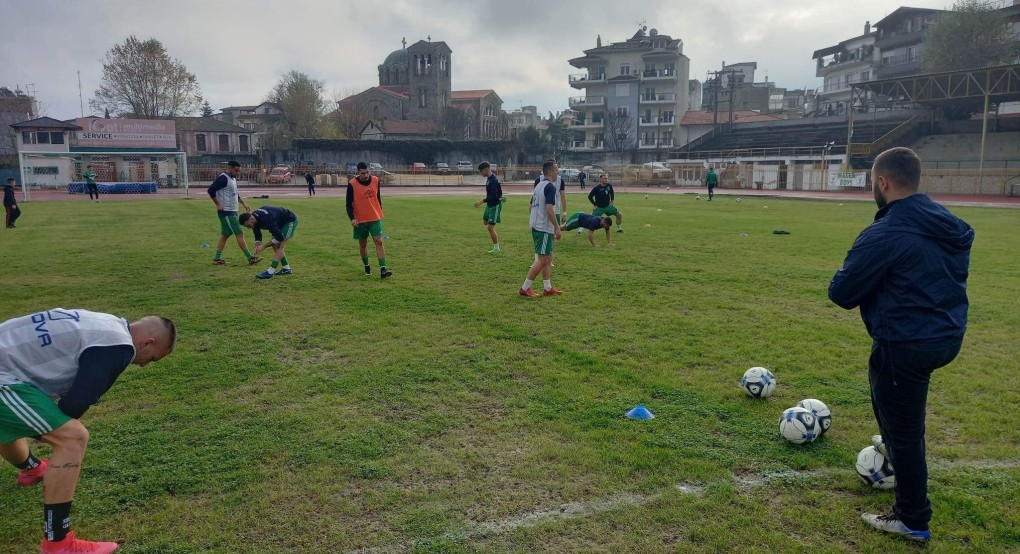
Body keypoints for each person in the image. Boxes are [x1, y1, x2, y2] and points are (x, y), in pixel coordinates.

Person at [828, 147, 974, 543]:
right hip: (947, 336)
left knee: (904, 426)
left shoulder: (885, 233)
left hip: (907, 343)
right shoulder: (949, 222)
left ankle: (912, 519)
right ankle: (894, 442)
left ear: (883, 182)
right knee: (892, 402)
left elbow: (842, 291)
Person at [0, 308, 176, 554]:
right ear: (148, 342)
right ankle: (58, 544)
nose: (145, 365)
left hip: (8, 364)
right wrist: (50, 428)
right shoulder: (121, 347)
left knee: (14, 416)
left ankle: (31, 470)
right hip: (3, 378)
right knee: (72, 438)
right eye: (153, 358)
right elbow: (75, 404)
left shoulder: (109, 322)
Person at [520, 160, 562, 298]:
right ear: (550, 172)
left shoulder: (538, 185)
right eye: (556, 170)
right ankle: (525, 287)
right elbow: (549, 209)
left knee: (548, 257)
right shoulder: (549, 187)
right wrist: (557, 228)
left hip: (537, 225)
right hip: (543, 227)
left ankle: (547, 288)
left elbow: (532, 205)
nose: (558, 173)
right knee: (543, 259)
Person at [207, 161, 261, 266]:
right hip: (226, 211)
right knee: (239, 233)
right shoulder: (223, 178)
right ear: (229, 168)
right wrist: (218, 204)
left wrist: (243, 203)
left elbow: (235, 193)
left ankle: (217, 259)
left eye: (239, 171)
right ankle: (250, 258)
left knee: (225, 234)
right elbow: (211, 190)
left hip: (232, 210)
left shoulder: (233, 178)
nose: (238, 173)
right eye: (236, 170)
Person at [347, 162, 392, 278]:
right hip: (360, 220)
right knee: (363, 243)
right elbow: (348, 204)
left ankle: (383, 269)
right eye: (363, 173)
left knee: (379, 241)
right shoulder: (352, 184)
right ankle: (367, 266)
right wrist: (352, 218)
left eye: (367, 172)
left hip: (374, 217)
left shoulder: (376, 180)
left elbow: (378, 197)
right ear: (358, 172)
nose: (366, 175)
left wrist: (379, 210)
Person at [239, 206, 298, 279]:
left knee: (280, 246)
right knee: (275, 245)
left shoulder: (266, 219)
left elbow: (279, 238)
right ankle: (286, 268)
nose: (248, 228)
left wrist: (264, 246)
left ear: (251, 219)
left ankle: (270, 272)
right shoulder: (254, 218)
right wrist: (257, 245)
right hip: (278, 222)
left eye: (248, 225)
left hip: (289, 221)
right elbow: (257, 233)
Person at [473, 161, 504, 254]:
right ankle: (491, 223)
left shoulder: (494, 180)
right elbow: (498, 192)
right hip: (489, 204)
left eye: (481, 171)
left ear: (486, 170)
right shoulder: (489, 178)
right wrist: (501, 195)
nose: (481, 173)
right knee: (485, 222)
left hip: (495, 205)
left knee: (490, 228)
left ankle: (496, 248)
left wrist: (481, 201)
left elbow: (494, 196)